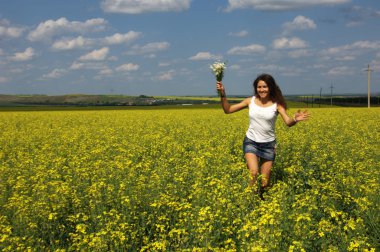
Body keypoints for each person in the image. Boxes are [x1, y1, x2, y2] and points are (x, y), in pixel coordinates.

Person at [216, 73, 309, 198]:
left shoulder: (277, 105)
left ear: (270, 87)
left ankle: (263, 202)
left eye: (264, 87)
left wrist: (295, 119)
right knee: (253, 173)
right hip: (251, 142)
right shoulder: (250, 101)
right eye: (259, 87)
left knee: (265, 183)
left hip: (268, 145)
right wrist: (223, 94)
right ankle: (249, 200)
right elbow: (228, 110)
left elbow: (288, 122)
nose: (262, 90)